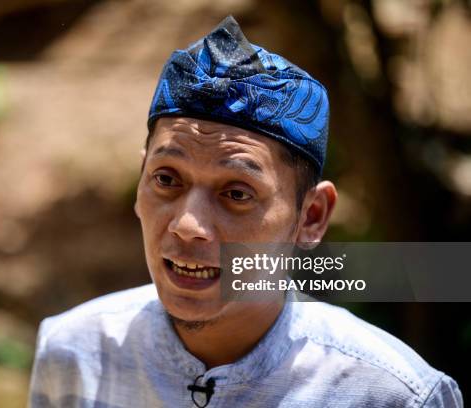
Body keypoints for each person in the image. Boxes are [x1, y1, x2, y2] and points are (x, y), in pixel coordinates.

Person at [28, 16, 463, 407]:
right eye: (166, 179)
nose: (187, 225)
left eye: (236, 194)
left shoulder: (392, 396)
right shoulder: (74, 355)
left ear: (310, 217)